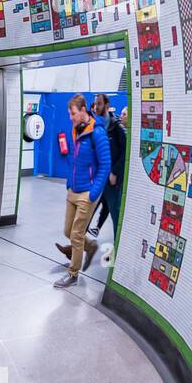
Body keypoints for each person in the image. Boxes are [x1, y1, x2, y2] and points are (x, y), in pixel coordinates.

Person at [53, 94, 110, 288]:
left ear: (84, 110)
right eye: (70, 113)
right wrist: (70, 181)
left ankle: (73, 273)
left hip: (88, 192)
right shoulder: (76, 129)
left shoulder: (98, 133)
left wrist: (94, 193)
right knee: (68, 230)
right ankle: (91, 246)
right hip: (73, 189)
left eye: (73, 113)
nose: (70, 117)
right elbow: (76, 159)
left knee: (76, 234)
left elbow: (105, 165)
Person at [91, 97, 127, 238]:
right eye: (95, 104)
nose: (96, 107)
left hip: (111, 178)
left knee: (114, 211)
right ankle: (79, 246)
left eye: (99, 104)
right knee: (88, 209)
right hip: (98, 177)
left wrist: (114, 172)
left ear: (107, 105)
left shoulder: (116, 127)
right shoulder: (95, 125)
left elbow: (124, 153)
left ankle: (118, 243)